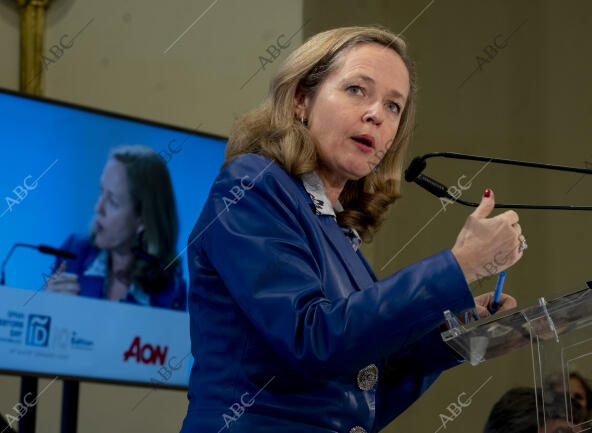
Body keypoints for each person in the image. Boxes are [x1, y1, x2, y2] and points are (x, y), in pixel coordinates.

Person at [180, 26, 525, 432]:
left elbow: (362, 388)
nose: (377, 114)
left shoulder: (334, 227)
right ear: (300, 100)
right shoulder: (252, 186)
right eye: (357, 90)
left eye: (394, 106)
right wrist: (459, 265)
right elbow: (313, 341)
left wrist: (459, 331)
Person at [44, 145, 186, 311]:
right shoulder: (73, 253)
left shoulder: (171, 288)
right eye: (101, 192)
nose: (98, 208)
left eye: (113, 201)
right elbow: (42, 326)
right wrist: (47, 305)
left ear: (143, 219)